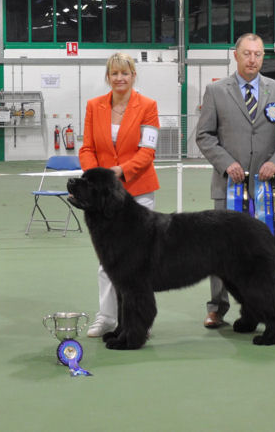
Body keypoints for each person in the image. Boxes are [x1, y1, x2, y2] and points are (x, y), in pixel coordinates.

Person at [194, 33, 275, 329]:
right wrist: (226, 163)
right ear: (236, 56)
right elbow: (204, 135)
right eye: (247, 54)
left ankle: (262, 305)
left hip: (266, 190)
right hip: (227, 187)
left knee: (263, 254)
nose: (253, 59)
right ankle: (217, 308)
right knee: (220, 252)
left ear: (264, 57)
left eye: (258, 54)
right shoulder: (215, 91)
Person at [78, 53, 161, 337]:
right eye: (114, 73)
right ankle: (107, 318)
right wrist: (98, 178)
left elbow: (147, 152)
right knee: (108, 262)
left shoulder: (148, 106)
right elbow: (86, 148)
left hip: (138, 191)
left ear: (133, 75)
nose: (119, 78)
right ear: (108, 77)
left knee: (139, 263)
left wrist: (119, 172)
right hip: (104, 200)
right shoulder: (93, 106)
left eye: (125, 73)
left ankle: (137, 321)